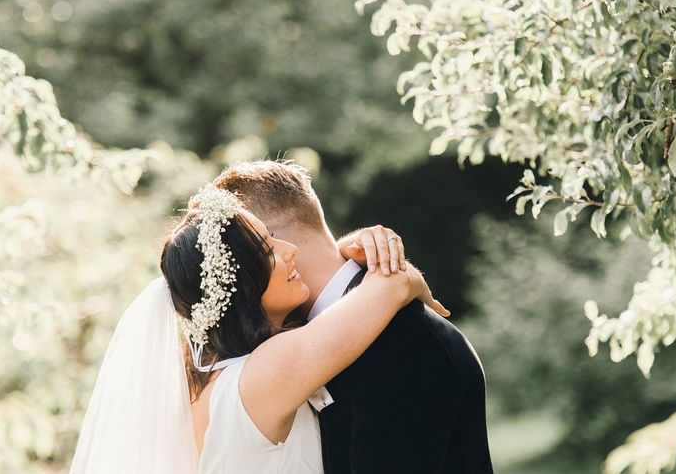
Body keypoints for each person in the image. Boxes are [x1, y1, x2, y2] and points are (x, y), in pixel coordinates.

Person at [68, 181, 446, 474]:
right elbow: (392, 284)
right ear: (244, 286)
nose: (290, 250)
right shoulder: (269, 370)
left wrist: (345, 250)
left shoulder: (211, 381)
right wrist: (376, 258)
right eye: (269, 249)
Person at [214, 159, 494, 474]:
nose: (236, 285)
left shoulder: (401, 340)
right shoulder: (298, 347)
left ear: (274, 244)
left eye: (238, 261)